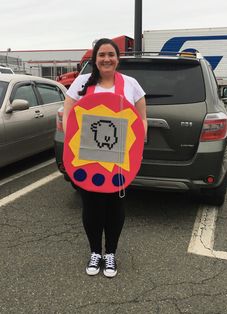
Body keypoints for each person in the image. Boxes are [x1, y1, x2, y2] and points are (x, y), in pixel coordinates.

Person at [63, 38, 147, 278]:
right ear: (95, 58)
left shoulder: (131, 84)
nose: (106, 59)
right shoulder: (81, 82)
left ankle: (110, 253)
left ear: (118, 58)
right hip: (87, 158)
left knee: (114, 207)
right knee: (91, 207)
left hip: (120, 159)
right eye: (102, 55)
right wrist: (71, 148)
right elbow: (69, 117)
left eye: (111, 54)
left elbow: (141, 120)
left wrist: (137, 150)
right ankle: (94, 252)